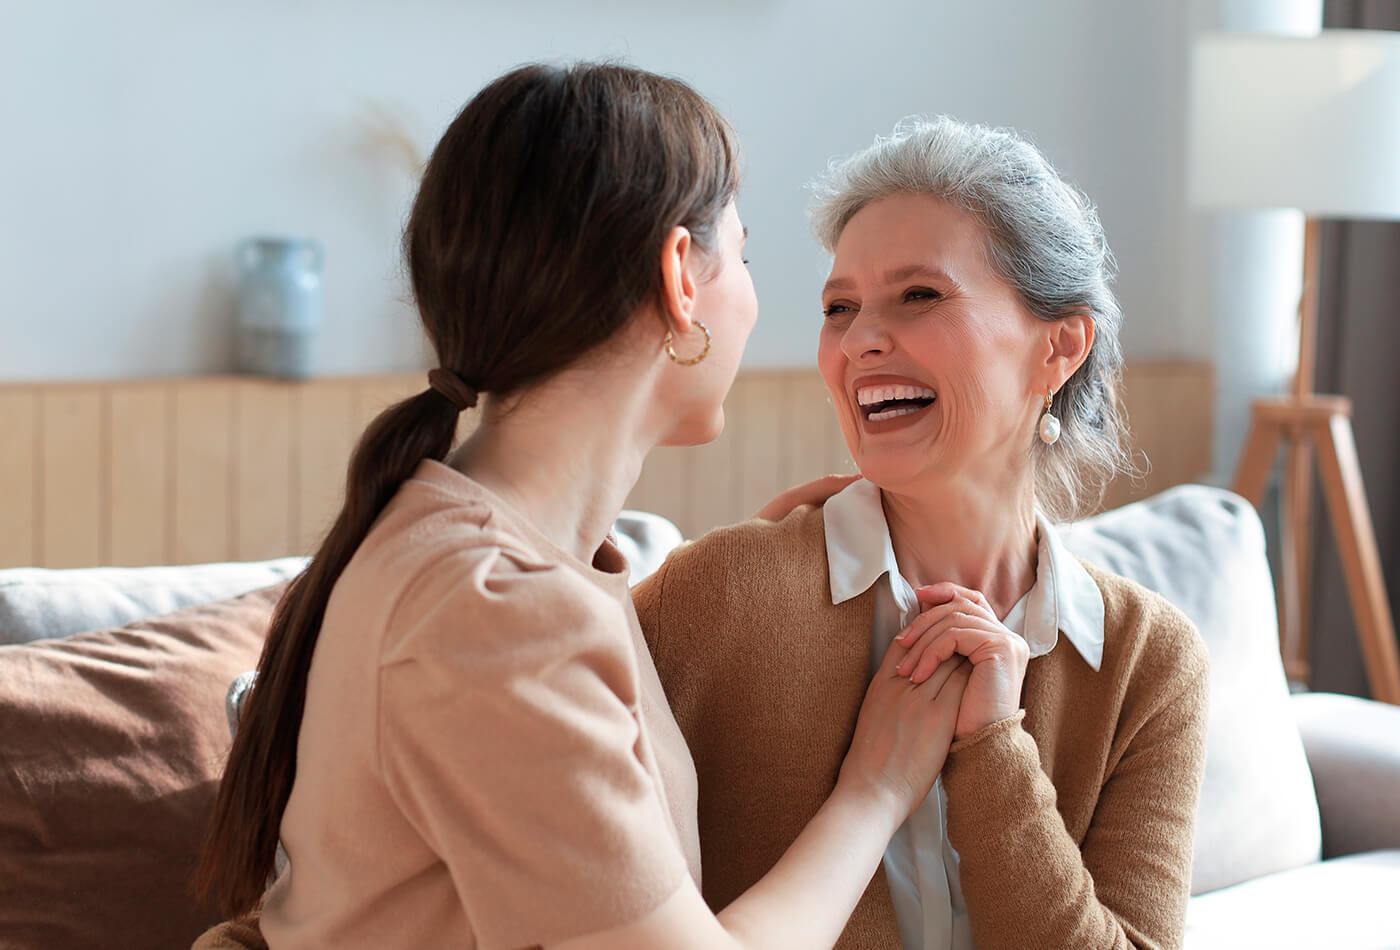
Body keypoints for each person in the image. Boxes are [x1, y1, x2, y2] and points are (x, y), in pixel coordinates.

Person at [192, 65, 973, 950]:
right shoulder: (496, 610)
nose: (759, 300)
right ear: (681, 276)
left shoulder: (493, 562)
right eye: (744, 256)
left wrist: (742, 575)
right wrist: (877, 787)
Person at [632, 117, 1210, 949]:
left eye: (919, 295)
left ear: (1061, 346)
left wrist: (993, 751)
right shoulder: (715, 595)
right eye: (840, 308)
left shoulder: (1147, 661)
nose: (861, 340)